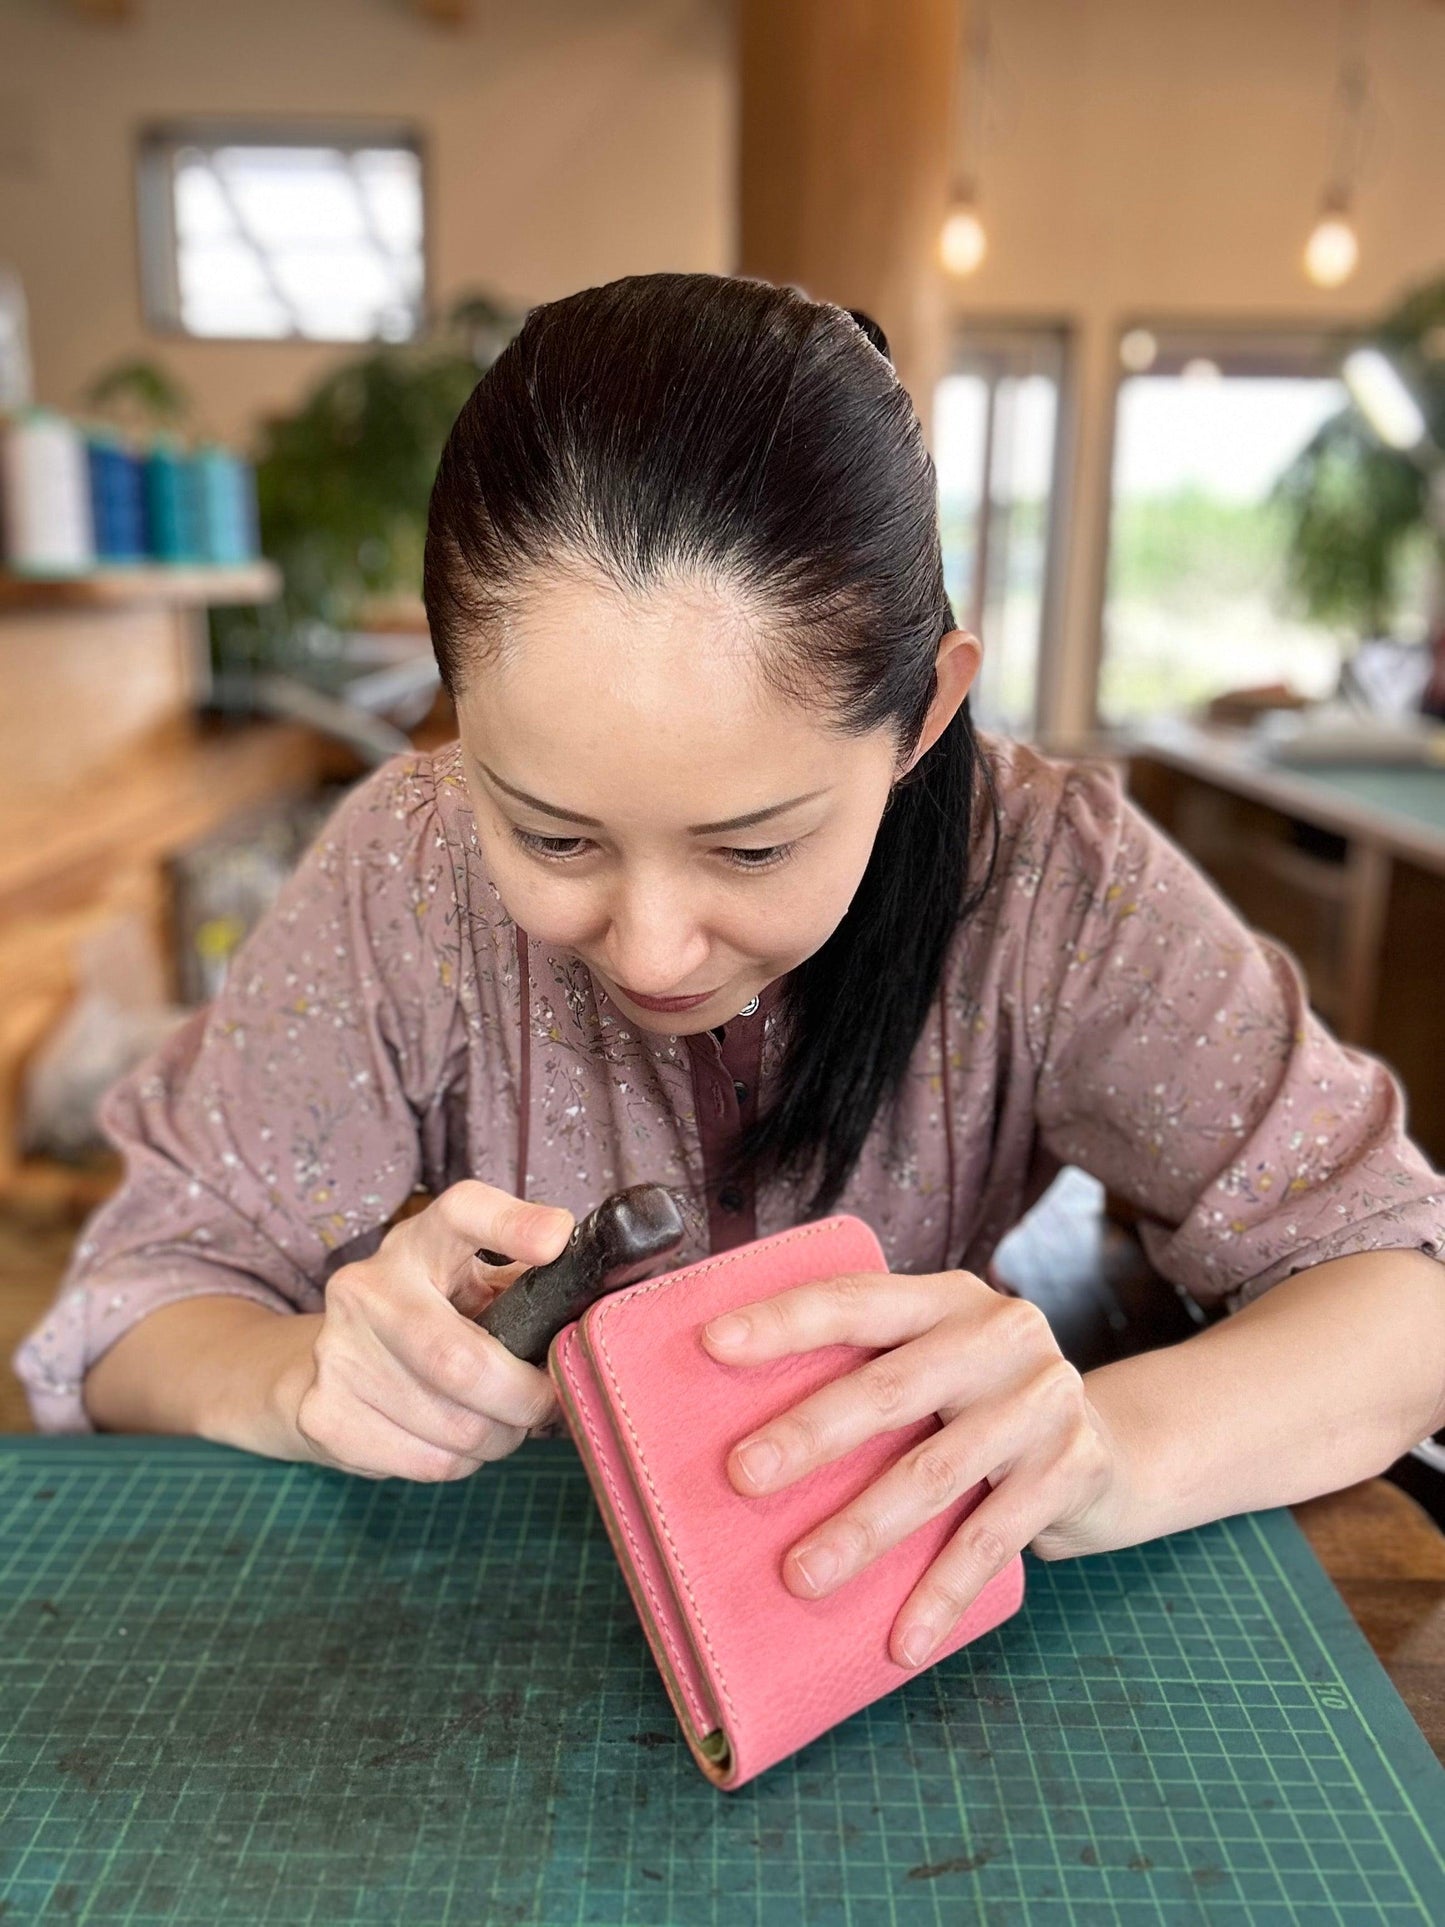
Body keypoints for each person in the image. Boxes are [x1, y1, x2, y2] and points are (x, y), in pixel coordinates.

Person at [16, 273, 1444, 1674]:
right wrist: (298, 1377)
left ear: (922, 713)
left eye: (752, 848)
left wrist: (1107, 1445)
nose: (649, 949)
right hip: (483, 1644)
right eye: (552, 832)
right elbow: (137, 1305)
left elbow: (1403, 1289)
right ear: (455, 707)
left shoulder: (1052, 879)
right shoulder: (411, 866)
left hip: (897, 1641)